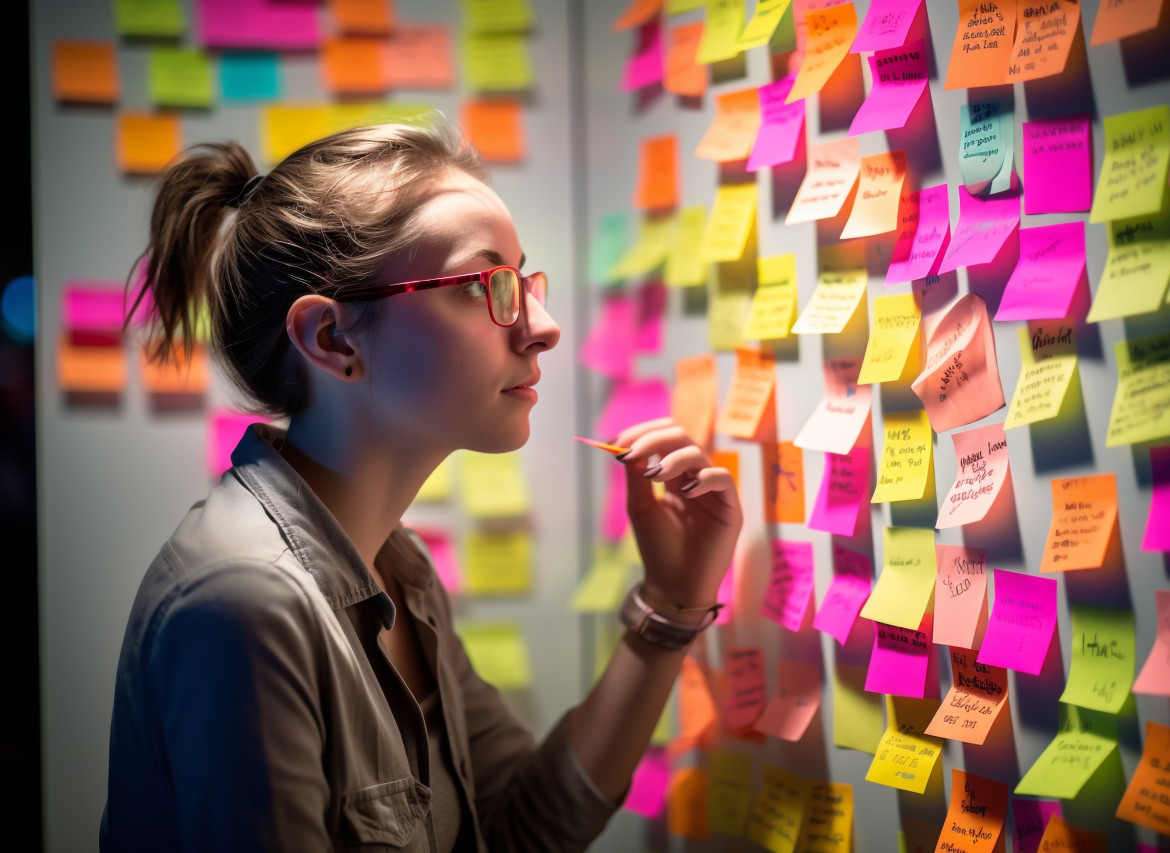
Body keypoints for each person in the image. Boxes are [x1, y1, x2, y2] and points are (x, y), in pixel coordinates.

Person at [100, 115, 742, 852]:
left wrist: (671, 605)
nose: (544, 325)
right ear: (333, 339)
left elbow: (516, 827)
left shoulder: (395, 565)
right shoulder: (247, 603)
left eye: (523, 279)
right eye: (485, 284)